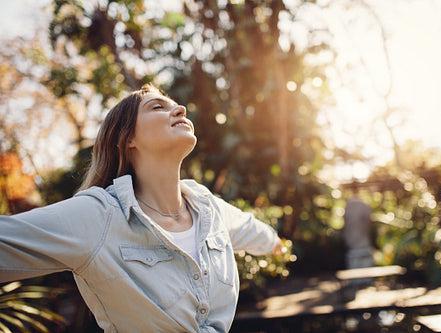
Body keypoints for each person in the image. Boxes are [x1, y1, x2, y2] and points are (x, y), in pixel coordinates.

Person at [0, 84, 282, 333]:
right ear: (127, 139)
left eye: (176, 105)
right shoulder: (100, 216)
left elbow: (252, 230)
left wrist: (277, 245)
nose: (181, 109)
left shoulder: (208, 207)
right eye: (158, 107)